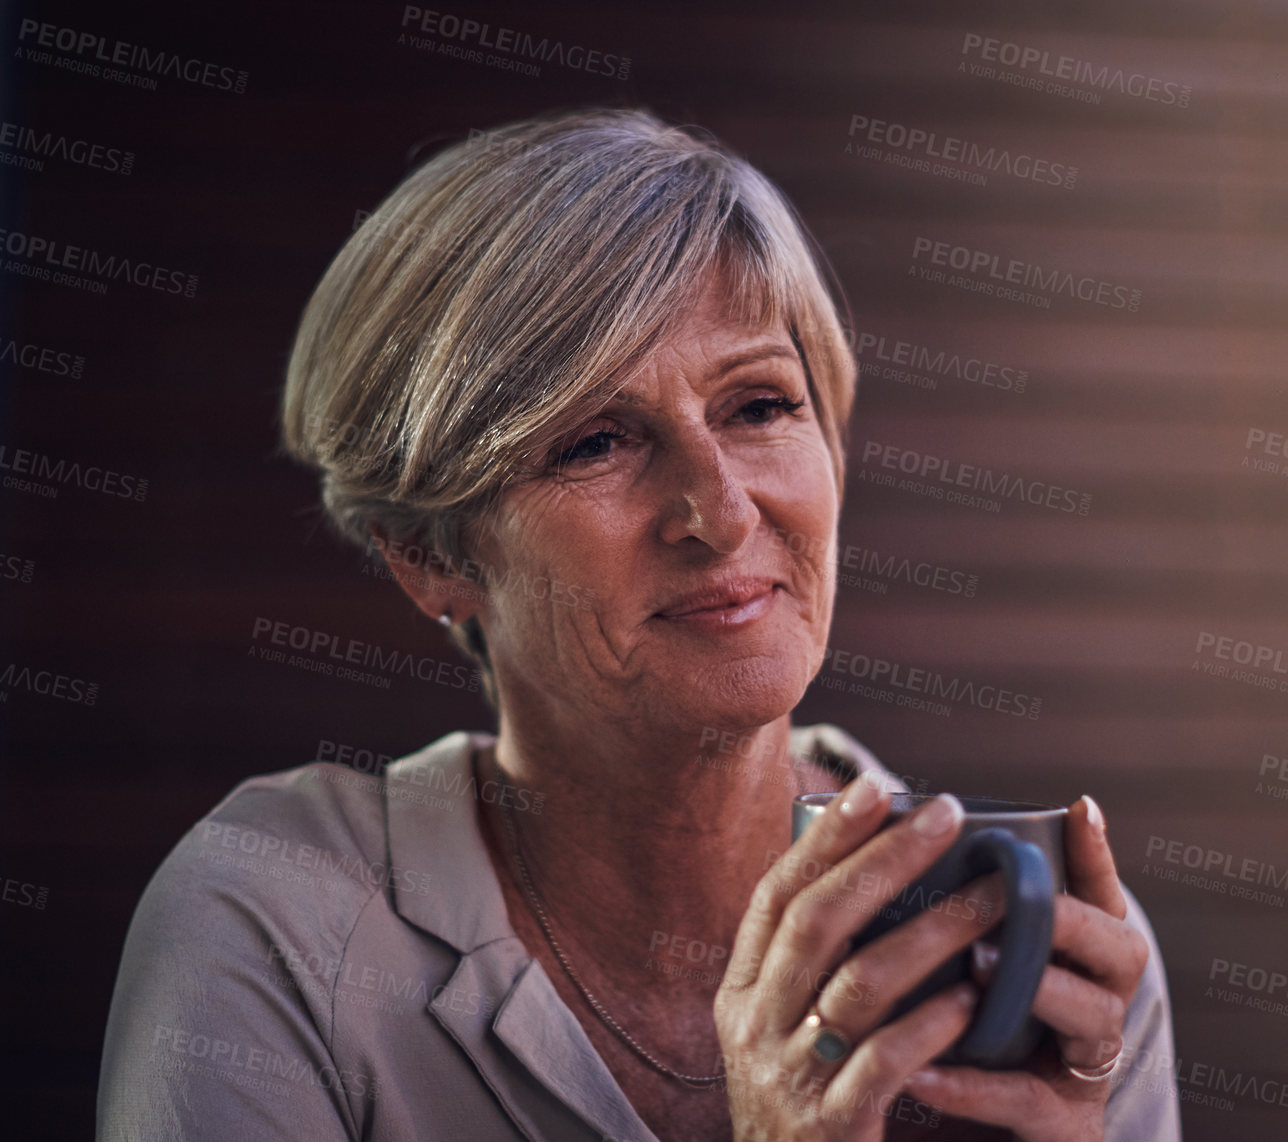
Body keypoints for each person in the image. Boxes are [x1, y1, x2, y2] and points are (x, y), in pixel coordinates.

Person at [96, 106, 1181, 1141]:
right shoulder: (277, 919)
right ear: (428, 555)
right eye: (594, 442)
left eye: (759, 407)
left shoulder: (1039, 933)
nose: (721, 509)